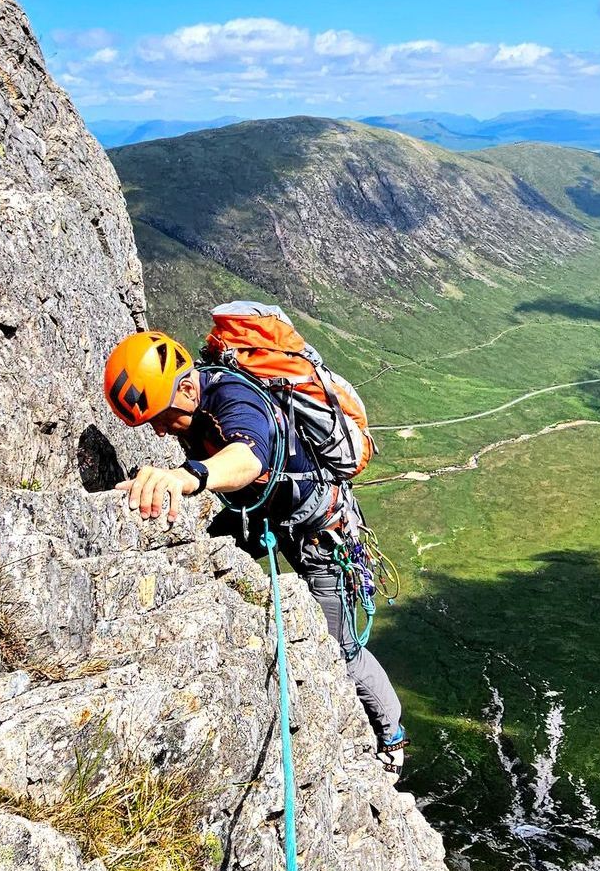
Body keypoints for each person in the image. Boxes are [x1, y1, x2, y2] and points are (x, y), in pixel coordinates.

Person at [102, 329, 408, 772]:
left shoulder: (234, 400)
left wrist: (185, 478)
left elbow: (249, 460)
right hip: (269, 515)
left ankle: (392, 734)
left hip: (322, 533)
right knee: (198, 557)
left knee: (339, 648)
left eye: (163, 417)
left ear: (187, 388)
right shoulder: (196, 400)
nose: (160, 430)